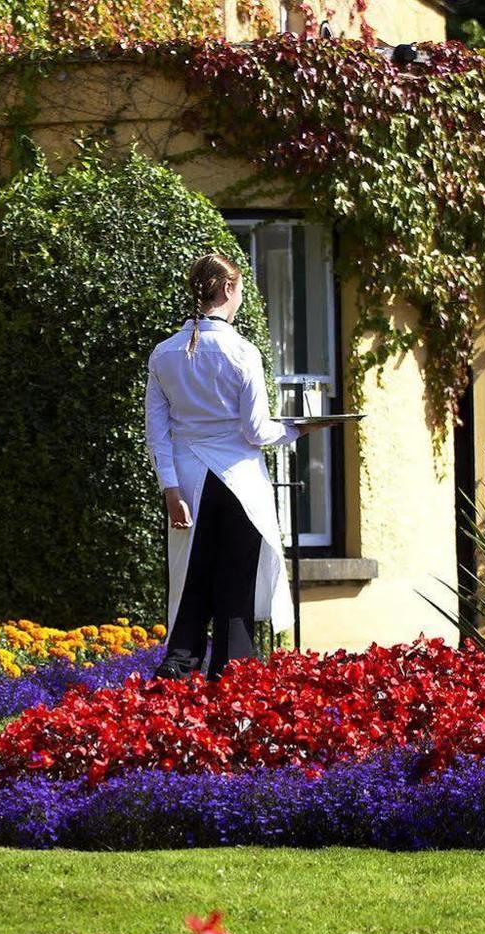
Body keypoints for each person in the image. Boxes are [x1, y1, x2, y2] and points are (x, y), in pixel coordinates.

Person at [144, 253, 324, 680]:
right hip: (240, 483)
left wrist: (170, 487)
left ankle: (176, 675)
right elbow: (258, 431)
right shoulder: (242, 352)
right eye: (240, 289)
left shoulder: (164, 354)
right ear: (227, 289)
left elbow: (158, 431)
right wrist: (300, 429)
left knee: (190, 585)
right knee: (234, 590)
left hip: (188, 482)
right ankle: (232, 686)